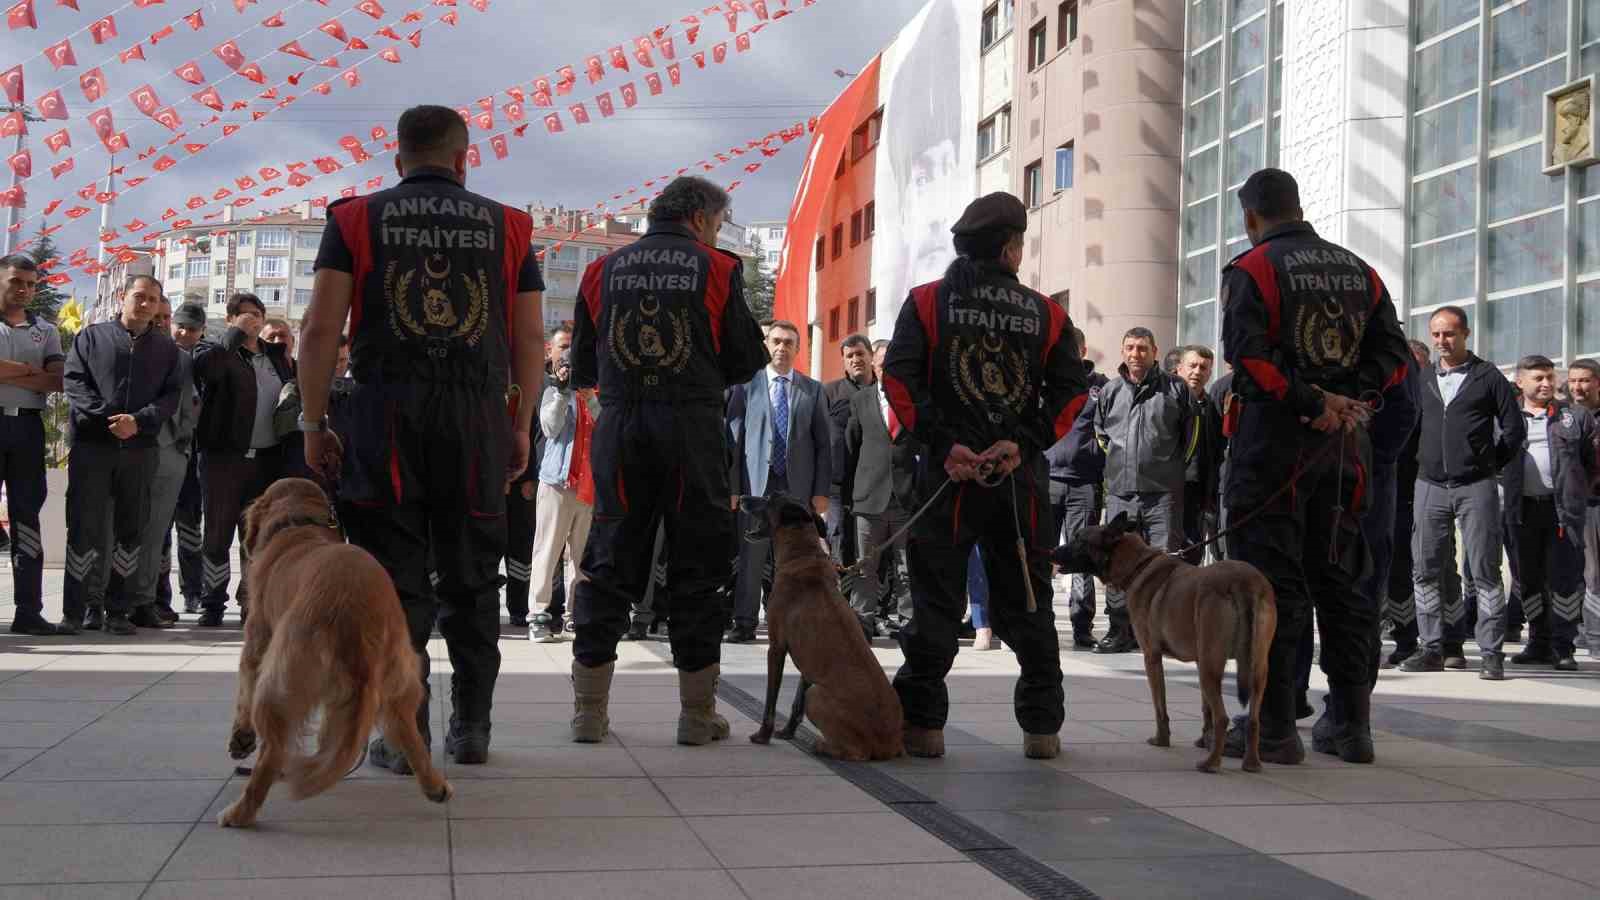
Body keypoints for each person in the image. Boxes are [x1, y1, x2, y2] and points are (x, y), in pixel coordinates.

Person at [298, 103, 546, 769]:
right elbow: (529, 340)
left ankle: (405, 735)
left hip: (384, 417)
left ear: (397, 157)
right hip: (476, 421)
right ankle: (473, 728)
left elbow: (320, 330)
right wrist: (518, 426)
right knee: (473, 579)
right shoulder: (512, 225)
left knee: (392, 580)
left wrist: (314, 422)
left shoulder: (354, 218)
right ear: (464, 158)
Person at [883, 192, 1088, 760]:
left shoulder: (925, 302)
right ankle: (1041, 730)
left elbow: (898, 383)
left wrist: (945, 445)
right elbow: (1074, 391)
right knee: (1028, 601)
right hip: (1016, 484)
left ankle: (923, 727)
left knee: (934, 604)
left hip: (948, 481)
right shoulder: (1047, 313)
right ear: (1010, 248)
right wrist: (1023, 444)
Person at [1218, 168, 1410, 765]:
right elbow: (1395, 358)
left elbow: (1248, 359)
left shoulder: (1251, 269)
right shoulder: (1362, 270)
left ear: (1252, 217)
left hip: (1273, 454)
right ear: (1298, 207)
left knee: (1270, 588)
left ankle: (1273, 728)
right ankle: (1352, 725)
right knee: (1346, 585)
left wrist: (1312, 401)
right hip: (1344, 455)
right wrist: (1352, 399)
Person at [566, 175, 767, 745]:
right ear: (702, 218)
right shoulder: (720, 269)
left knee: (606, 562)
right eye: (721, 222)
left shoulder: (600, 270)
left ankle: (589, 712)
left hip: (621, 427)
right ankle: (697, 716)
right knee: (697, 568)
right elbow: (746, 359)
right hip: (691, 429)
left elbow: (582, 367)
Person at [1400, 306, 1523, 680]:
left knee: (1485, 571)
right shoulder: (1421, 378)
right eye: (1436, 334)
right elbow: (1408, 428)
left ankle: (1491, 653)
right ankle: (1432, 647)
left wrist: (1487, 464)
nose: (1441, 341)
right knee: (1424, 570)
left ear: (1466, 334)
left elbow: (1513, 430)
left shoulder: (1489, 377)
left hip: (1477, 486)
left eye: (1449, 334)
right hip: (1429, 486)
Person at [59, 274, 183, 635]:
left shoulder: (166, 349)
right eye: (139, 296)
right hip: (93, 447)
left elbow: (170, 397)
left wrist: (138, 422)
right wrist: (106, 420)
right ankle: (77, 609)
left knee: (131, 529)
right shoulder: (91, 337)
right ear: (121, 296)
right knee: (84, 526)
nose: (145, 304)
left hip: (140, 450)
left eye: (153, 299)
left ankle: (117, 610)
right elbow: (75, 382)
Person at [189, 293, 294, 626]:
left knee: (259, 535)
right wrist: (234, 336)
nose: (253, 319)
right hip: (224, 458)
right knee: (218, 533)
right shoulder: (216, 350)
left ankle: (251, 599)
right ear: (231, 318)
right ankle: (213, 602)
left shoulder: (278, 357)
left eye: (258, 313)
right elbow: (209, 373)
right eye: (246, 314)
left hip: (267, 460)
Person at [726, 320, 832, 643]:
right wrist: (732, 488)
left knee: (796, 556)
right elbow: (734, 438)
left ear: (798, 350)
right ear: (767, 344)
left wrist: (820, 493)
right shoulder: (747, 385)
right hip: (756, 486)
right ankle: (744, 622)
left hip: (797, 490)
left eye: (789, 343)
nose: (782, 348)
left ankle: (796, 623)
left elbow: (823, 444)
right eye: (776, 341)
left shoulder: (812, 390)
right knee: (751, 556)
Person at [1093, 327, 1193, 654]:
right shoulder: (1109, 391)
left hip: (1163, 493)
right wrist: (1121, 466)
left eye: (1143, 349)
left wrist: (1167, 467)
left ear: (1154, 351)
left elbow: (1190, 438)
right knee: (1117, 562)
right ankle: (1120, 630)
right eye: (1130, 348)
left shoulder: (1176, 388)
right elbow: (1101, 435)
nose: (1136, 354)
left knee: (1163, 564)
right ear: (1123, 351)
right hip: (1121, 492)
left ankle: (1162, 633)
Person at [1503, 356, 1596, 671]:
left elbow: (1591, 463)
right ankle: (1538, 642)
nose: (1546, 383)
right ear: (1520, 382)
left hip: (1561, 512)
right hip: (1520, 511)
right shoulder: (1507, 416)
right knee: (1527, 578)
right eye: (1538, 378)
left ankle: (1563, 646)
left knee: (1564, 580)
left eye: (1549, 377)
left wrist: (1574, 491)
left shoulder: (1575, 416)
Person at [0, 255, 65, 636]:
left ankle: (29, 610)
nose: (23, 289)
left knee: (27, 517)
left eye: (30, 283)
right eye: (15, 281)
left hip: (27, 427)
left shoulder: (46, 330)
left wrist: (12, 370)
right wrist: (31, 372)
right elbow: (41, 376)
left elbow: (56, 381)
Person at [844, 338, 921, 641]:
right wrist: (851, 495)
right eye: (882, 361)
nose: (887, 366)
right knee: (865, 568)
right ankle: (860, 624)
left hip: (905, 498)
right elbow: (851, 449)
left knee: (906, 569)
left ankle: (908, 624)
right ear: (874, 365)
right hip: (868, 498)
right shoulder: (860, 400)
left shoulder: (913, 401)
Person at [128, 297, 198, 628]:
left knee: (156, 534)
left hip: (168, 451)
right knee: (120, 529)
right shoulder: (123, 349)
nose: (162, 321)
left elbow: (192, 405)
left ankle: (146, 601)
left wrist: (179, 441)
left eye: (166, 317)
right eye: (159, 316)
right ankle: (107, 601)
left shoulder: (181, 359)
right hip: (125, 451)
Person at [527, 343, 597, 643]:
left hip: (589, 487)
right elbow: (550, 428)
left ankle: (575, 615)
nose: (570, 371)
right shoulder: (552, 393)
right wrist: (560, 392)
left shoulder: (596, 394)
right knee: (547, 551)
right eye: (565, 366)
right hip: (556, 483)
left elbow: (604, 425)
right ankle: (539, 616)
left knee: (581, 558)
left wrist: (588, 395)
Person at [1043, 326, 1106, 649]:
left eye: (1073, 348)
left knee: (1084, 557)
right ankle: (1039, 624)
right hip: (1049, 479)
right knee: (1043, 554)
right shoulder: (1046, 382)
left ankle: (1082, 626)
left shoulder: (1102, 387)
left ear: (1082, 351)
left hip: (1084, 484)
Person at [506, 327, 571, 631]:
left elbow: (533, 434)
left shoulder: (542, 384)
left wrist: (529, 475)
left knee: (528, 547)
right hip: (492, 477)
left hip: (531, 479)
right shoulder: (497, 380)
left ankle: (529, 607)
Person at [1381, 340, 1433, 667]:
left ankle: (1421, 638)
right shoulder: (1383, 395)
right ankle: (1399, 635)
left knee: (1417, 568)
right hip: (1383, 491)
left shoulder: (1428, 399)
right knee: (1390, 570)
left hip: (1417, 492)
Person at [163, 301, 207, 615]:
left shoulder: (206, 361)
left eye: (191, 329)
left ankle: (192, 591)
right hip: (163, 450)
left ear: (201, 331)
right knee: (160, 530)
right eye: (179, 325)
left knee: (191, 531)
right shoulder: (160, 356)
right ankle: (158, 595)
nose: (183, 332)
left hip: (195, 456)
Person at [824, 334, 876, 568]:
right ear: (844, 361)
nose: (855, 359)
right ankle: (840, 602)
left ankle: (877, 605)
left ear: (871, 356)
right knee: (839, 545)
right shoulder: (829, 393)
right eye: (850, 356)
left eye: (860, 354)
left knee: (873, 551)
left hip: (877, 487)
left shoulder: (886, 392)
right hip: (838, 490)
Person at [1178, 345, 1224, 567]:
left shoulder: (1212, 405)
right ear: (1179, 368)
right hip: (1169, 486)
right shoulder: (1165, 399)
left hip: (1200, 490)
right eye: (1192, 365)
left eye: (1203, 367)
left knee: (1193, 551)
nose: (1197, 371)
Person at [1568, 358, 1600, 654]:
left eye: (1585, 380)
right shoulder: (1564, 417)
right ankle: (1581, 632)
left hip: (1594, 502)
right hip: (1574, 506)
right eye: (1573, 381)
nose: (1578, 387)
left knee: (1594, 573)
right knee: (1578, 572)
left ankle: (1594, 636)